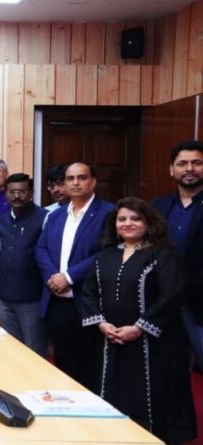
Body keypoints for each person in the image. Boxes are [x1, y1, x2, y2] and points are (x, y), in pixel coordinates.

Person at [80, 197, 196, 443]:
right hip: (111, 341)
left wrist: (139, 328)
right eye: (122, 219)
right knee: (112, 396)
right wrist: (101, 323)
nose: (128, 223)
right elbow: (89, 291)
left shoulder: (163, 254)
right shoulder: (105, 255)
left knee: (152, 401)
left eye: (135, 218)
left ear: (149, 223)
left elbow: (172, 294)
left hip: (155, 346)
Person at [35, 162, 114, 389]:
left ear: (93, 182)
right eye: (70, 179)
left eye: (81, 178)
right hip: (56, 302)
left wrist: (68, 277)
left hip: (87, 303)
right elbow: (40, 249)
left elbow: (107, 253)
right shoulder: (56, 215)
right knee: (62, 364)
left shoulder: (109, 213)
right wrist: (53, 277)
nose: (75, 183)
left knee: (89, 368)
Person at [152, 141, 203, 371]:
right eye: (182, 164)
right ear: (172, 169)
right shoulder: (157, 206)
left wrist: (185, 287)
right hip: (163, 302)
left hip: (198, 302)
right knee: (169, 371)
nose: (189, 168)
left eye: (196, 163)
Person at [0, 174, 49, 357]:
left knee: (34, 351)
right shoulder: (1, 220)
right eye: (12, 192)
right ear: (5, 194)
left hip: (32, 299)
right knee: (11, 351)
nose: (17, 196)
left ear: (31, 193)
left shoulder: (45, 218)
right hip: (4, 297)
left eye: (22, 191)